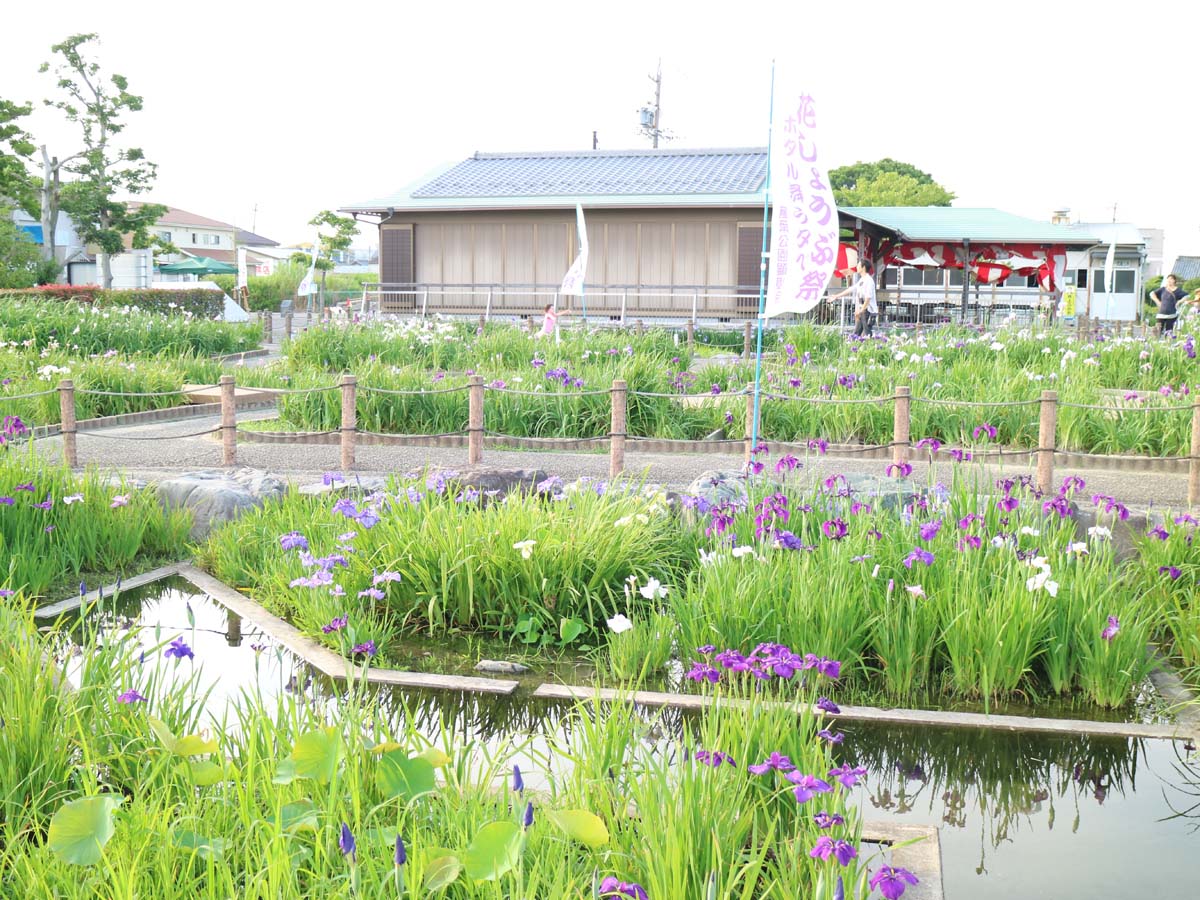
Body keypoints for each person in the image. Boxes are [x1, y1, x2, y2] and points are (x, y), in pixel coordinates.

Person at [831, 260, 878, 336]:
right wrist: (837, 296)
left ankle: (859, 344)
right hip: (863, 310)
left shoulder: (869, 281)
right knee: (858, 333)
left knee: (867, 333)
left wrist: (860, 311)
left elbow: (868, 298)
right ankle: (854, 344)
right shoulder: (862, 280)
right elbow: (851, 289)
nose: (857, 267)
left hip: (869, 311)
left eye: (858, 265)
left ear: (863, 267)